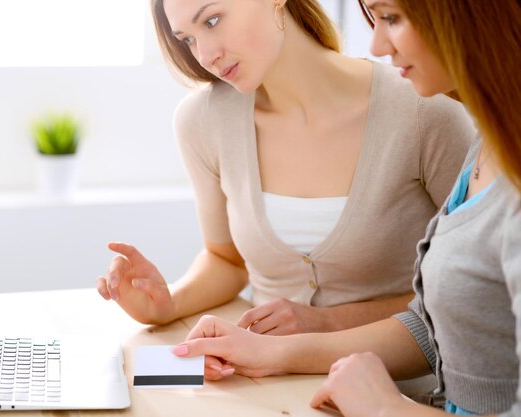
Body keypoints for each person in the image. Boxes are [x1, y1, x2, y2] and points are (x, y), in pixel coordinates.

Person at [170, 0, 521, 415]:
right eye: (189, 39)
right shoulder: (489, 147)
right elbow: (440, 323)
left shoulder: (436, 119)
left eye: (389, 17)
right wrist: (269, 353)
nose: (375, 43)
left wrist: (386, 408)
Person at [96, 0, 475, 336]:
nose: (206, 54)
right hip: (266, 386)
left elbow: (472, 288)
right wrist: (168, 304)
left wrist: (326, 324)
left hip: (399, 392)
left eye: (211, 21)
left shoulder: (426, 112)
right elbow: (227, 261)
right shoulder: (203, 120)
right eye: (187, 39)